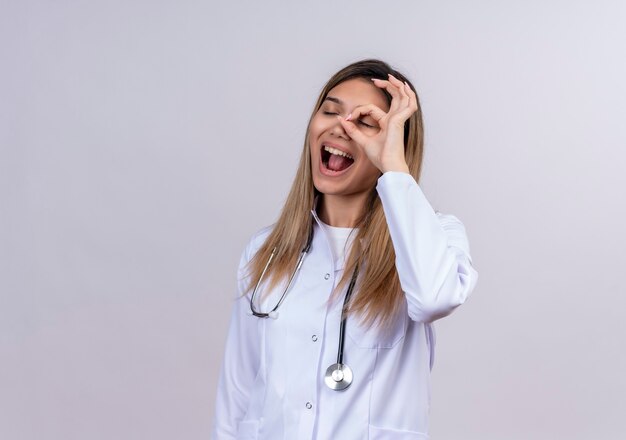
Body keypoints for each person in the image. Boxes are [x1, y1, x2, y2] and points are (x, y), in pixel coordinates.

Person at [212, 59, 478, 439]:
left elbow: (434, 298)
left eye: (366, 123)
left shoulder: (433, 238)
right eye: (330, 111)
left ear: (393, 145)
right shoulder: (265, 250)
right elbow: (236, 394)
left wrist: (394, 170)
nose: (341, 126)